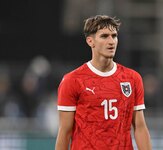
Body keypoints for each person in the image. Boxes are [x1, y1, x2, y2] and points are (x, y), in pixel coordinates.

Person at [55, 15, 152, 150]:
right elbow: (65, 132)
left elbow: (140, 127)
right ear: (90, 41)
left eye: (114, 36)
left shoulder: (132, 78)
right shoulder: (72, 80)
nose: (111, 41)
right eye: (104, 36)